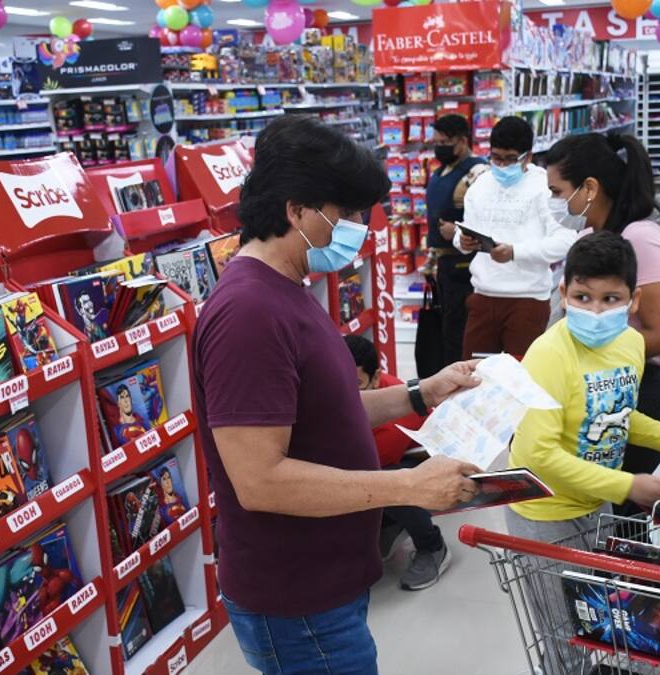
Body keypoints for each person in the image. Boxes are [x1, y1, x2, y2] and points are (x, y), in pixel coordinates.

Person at [193, 116, 483, 675]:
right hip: (296, 598)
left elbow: (322, 411)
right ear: (296, 210)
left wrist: (423, 393)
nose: (357, 228)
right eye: (346, 213)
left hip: (326, 584)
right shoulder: (249, 313)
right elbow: (259, 479)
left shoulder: (287, 286)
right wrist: (409, 486)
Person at [505, 232, 660, 673]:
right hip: (544, 515)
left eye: (610, 298)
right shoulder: (548, 355)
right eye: (583, 297)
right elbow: (538, 455)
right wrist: (628, 485)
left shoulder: (631, 345)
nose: (595, 311)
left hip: (596, 507)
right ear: (563, 294)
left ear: (634, 300)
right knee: (563, 636)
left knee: (598, 618)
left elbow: (616, 414)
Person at [542, 133, 660, 527]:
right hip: (593, 394)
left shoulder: (641, 239)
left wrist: (594, 357)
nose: (555, 202)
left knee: (616, 519)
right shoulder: (591, 238)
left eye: (557, 192)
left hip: (633, 392)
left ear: (589, 188)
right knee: (607, 521)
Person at [455, 116, 577, 358]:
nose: (501, 166)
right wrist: (462, 241)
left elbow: (565, 241)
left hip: (528, 299)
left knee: (524, 372)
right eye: (496, 158)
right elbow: (465, 230)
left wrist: (514, 252)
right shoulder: (480, 185)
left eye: (510, 159)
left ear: (528, 156)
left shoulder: (545, 187)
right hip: (483, 295)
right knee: (475, 372)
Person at [344, 335, 448, 591]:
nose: (347, 393)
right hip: (390, 458)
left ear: (376, 378)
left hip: (426, 466)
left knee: (382, 481)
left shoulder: (393, 420)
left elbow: (351, 474)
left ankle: (432, 545)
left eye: (356, 384)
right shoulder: (359, 389)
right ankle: (389, 525)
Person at [422, 114, 488, 373]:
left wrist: (457, 232)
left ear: (462, 141)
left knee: (460, 332)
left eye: (445, 142)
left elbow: (486, 221)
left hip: (464, 266)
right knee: (447, 329)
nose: (439, 148)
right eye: (436, 142)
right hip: (444, 265)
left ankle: (461, 379)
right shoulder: (441, 171)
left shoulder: (477, 172)